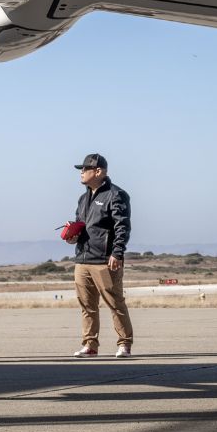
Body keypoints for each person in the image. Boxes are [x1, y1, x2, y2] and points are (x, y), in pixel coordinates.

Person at [69, 153, 133, 358]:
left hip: (105, 260)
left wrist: (117, 252)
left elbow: (122, 226)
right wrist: (73, 236)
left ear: (98, 171)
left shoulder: (116, 195)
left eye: (85, 169)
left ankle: (124, 344)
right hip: (82, 259)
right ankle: (90, 345)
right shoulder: (83, 198)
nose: (81, 172)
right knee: (87, 305)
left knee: (115, 303)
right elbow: (80, 223)